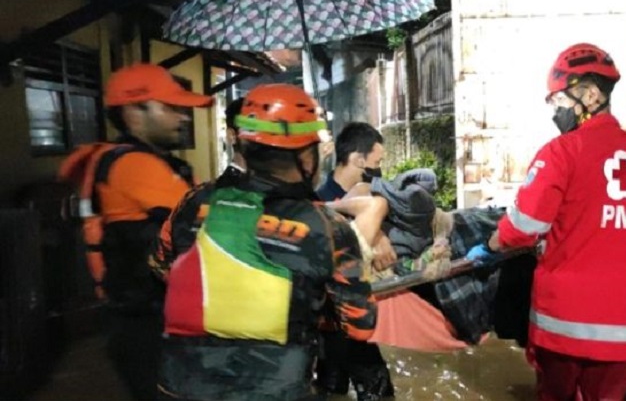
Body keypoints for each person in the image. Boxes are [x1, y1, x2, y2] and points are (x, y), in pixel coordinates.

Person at [154, 84, 377, 401]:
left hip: (177, 387)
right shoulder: (328, 227)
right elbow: (359, 324)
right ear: (305, 156)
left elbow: (160, 266)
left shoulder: (191, 202)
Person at [473, 44, 626, 401]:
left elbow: (522, 228)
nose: (555, 112)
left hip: (564, 324)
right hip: (625, 327)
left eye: (558, 101)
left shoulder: (561, 153)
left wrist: (488, 246)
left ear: (591, 94)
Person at [58, 63, 214, 401]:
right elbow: (208, 226)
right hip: (148, 322)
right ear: (134, 112)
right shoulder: (135, 165)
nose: (183, 117)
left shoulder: (143, 161)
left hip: (139, 316)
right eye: (171, 108)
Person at [315, 122, 396, 400]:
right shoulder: (319, 203)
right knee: (375, 391)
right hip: (334, 321)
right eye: (377, 161)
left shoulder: (376, 198)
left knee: (332, 389)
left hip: (357, 313)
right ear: (358, 160)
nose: (380, 168)